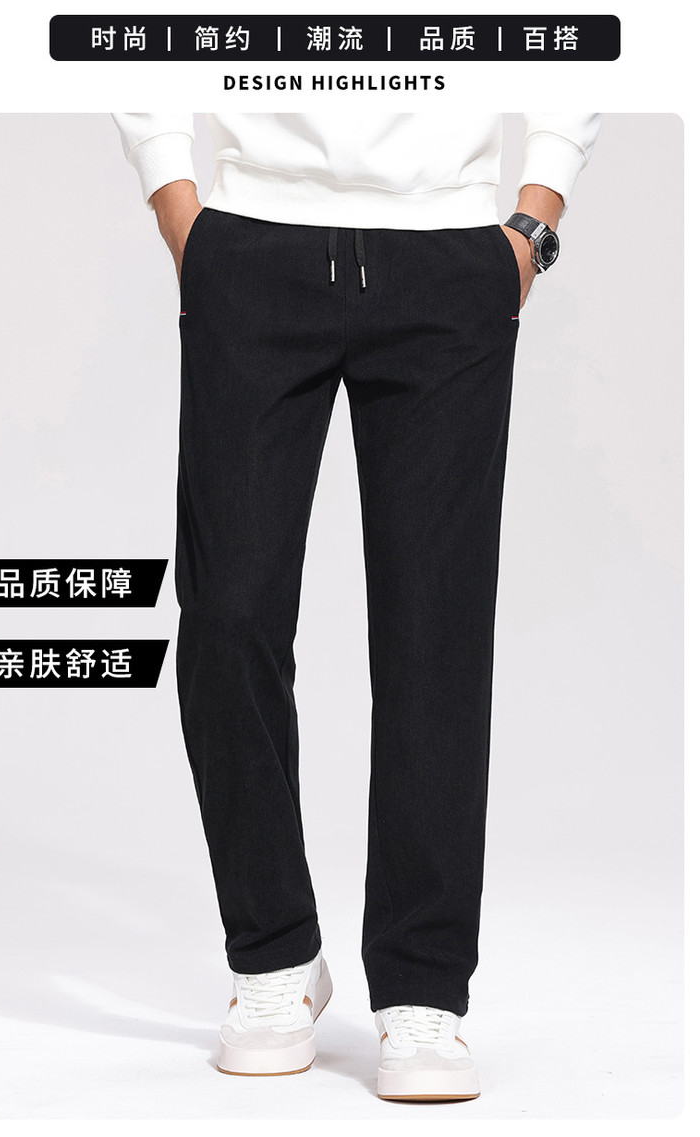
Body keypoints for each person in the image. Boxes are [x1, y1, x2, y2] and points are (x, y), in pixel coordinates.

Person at [112, 111, 601, 1102]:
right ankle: (274, 957)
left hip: (448, 256)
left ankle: (423, 989)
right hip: (252, 246)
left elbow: (590, 44)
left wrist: (534, 218)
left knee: (435, 634)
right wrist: (174, 198)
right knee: (228, 615)